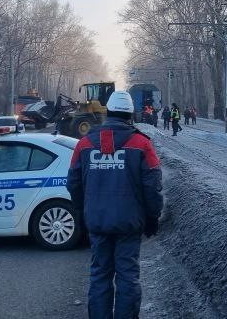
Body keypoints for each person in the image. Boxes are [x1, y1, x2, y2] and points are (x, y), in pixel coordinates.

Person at [67, 90, 163, 319]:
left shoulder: (84, 144)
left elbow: (73, 183)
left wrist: (82, 213)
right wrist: (152, 218)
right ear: (130, 115)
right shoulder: (142, 144)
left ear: (107, 112)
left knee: (99, 275)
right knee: (128, 276)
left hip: (97, 222)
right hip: (129, 224)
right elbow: (153, 186)